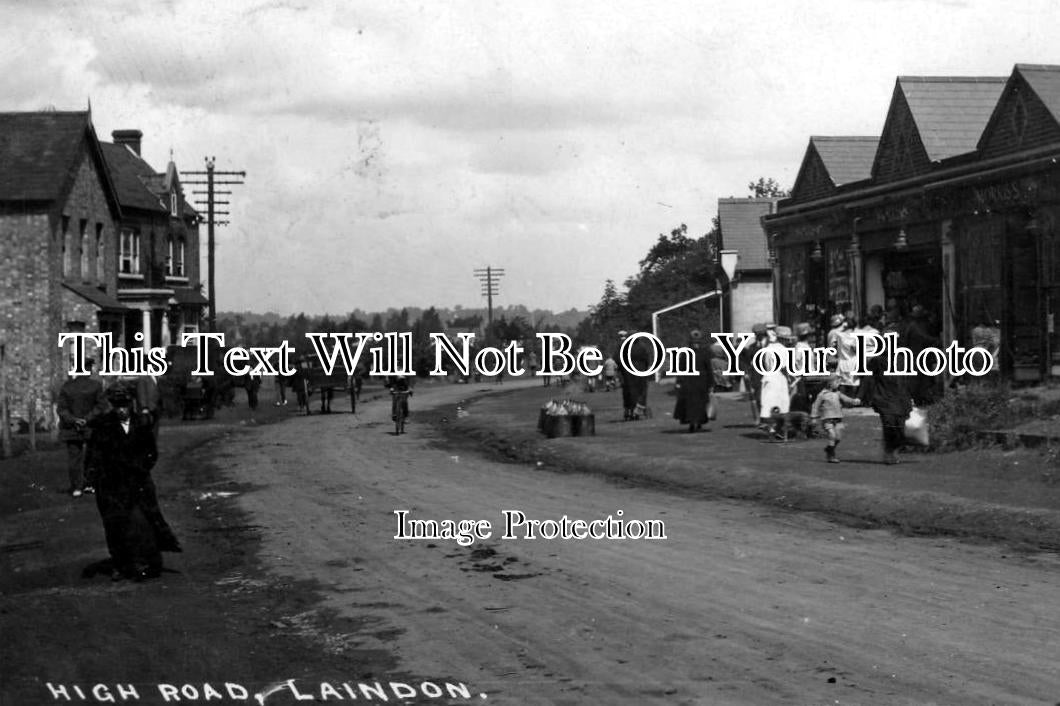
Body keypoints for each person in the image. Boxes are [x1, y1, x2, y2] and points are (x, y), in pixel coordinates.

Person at [89, 386, 181, 581]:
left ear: (131, 405)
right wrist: (96, 478)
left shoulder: (141, 424)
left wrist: (142, 466)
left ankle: (146, 562)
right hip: (112, 485)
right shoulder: (103, 426)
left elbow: (151, 452)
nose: (121, 410)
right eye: (117, 406)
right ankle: (120, 564)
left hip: (138, 482)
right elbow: (94, 455)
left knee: (143, 522)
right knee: (115, 525)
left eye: (124, 406)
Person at [57, 362, 108, 497]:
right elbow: (101, 406)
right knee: (92, 456)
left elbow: (62, 409)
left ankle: (76, 487)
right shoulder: (96, 386)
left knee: (74, 458)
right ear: (89, 369)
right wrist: (87, 419)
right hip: (91, 426)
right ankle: (89, 484)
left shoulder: (67, 387)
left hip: (71, 428)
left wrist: (74, 420)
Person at [868, 353, 914, 465]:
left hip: (900, 398)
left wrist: (911, 396)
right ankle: (889, 453)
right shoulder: (877, 360)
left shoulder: (902, 358)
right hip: (884, 397)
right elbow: (868, 376)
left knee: (899, 427)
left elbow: (907, 378)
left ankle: (894, 450)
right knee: (889, 424)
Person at [811, 375, 861, 463]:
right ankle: (831, 455)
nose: (839, 384)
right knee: (832, 435)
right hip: (827, 419)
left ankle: (829, 448)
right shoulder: (822, 395)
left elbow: (846, 399)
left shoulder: (838, 393)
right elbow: (815, 406)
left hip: (838, 418)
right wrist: (814, 417)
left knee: (838, 438)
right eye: (837, 382)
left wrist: (854, 401)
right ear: (830, 383)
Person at [674, 330, 713, 432]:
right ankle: (692, 423)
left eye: (697, 342)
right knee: (690, 404)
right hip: (689, 382)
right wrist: (679, 381)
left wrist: (710, 383)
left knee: (700, 404)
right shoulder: (686, 353)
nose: (696, 344)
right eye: (694, 342)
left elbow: (709, 369)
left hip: (700, 382)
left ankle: (698, 422)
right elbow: (681, 368)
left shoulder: (704, 353)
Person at [758, 325, 792, 439]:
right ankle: (777, 430)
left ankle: (771, 429)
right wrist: (790, 378)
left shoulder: (767, 348)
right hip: (778, 379)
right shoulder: (782, 349)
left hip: (768, 377)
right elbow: (785, 367)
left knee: (769, 405)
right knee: (781, 405)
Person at [618, 331, 652, 420]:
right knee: (641, 392)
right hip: (640, 371)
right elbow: (647, 360)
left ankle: (629, 410)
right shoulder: (642, 346)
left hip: (628, 373)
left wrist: (621, 372)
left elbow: (619, 360)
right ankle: (637, 410)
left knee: (629, 392)